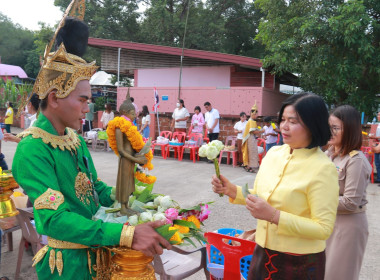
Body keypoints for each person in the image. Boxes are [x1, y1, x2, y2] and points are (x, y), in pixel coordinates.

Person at [11, 12, 170, 280]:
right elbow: (55, 220)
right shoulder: (32, 149)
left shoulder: (73, 139)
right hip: (68, 267)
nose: (88, 108)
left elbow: (95, 190)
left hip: (100, 256)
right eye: (83, 100)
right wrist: (125, 233)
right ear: (55, 97)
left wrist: (141, 201)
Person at [211, 93, 339, 279]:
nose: (284, 126)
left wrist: (274, 215)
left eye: (293, 121)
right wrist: (232, 191)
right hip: (263, 251)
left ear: (312, 125)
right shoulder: (274, 154)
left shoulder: (323, 168)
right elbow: (262, 196)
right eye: (283, 119)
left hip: (300, 261)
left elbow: (323, 228)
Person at [325, 105, 371, 280]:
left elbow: (351, 203)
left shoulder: (355, 160)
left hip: (348, 226)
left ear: (350, 130)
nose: (330, 131)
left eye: (335, 128)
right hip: (328, 221)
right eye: (329, 126)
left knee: (339, 275)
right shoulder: (329, 154)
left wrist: (317, 201)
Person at [242, 103, 263, 173]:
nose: (257, 116)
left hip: (251, 139)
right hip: (250, 139)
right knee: (250, 153)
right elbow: (253, 131)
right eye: (256, 114)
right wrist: (262, 131)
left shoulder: (251, 121)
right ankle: (248, 166)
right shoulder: (251, 121)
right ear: (253, 114)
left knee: (251, 153)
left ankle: (248, 166)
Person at [370, 111, 380, 183]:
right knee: (377, 162)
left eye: (379, 115)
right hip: (377, 144)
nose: (378, 116)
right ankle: (379, 178)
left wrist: (374, 137)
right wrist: (373, 138)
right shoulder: (378, 125)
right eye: (378, 115)